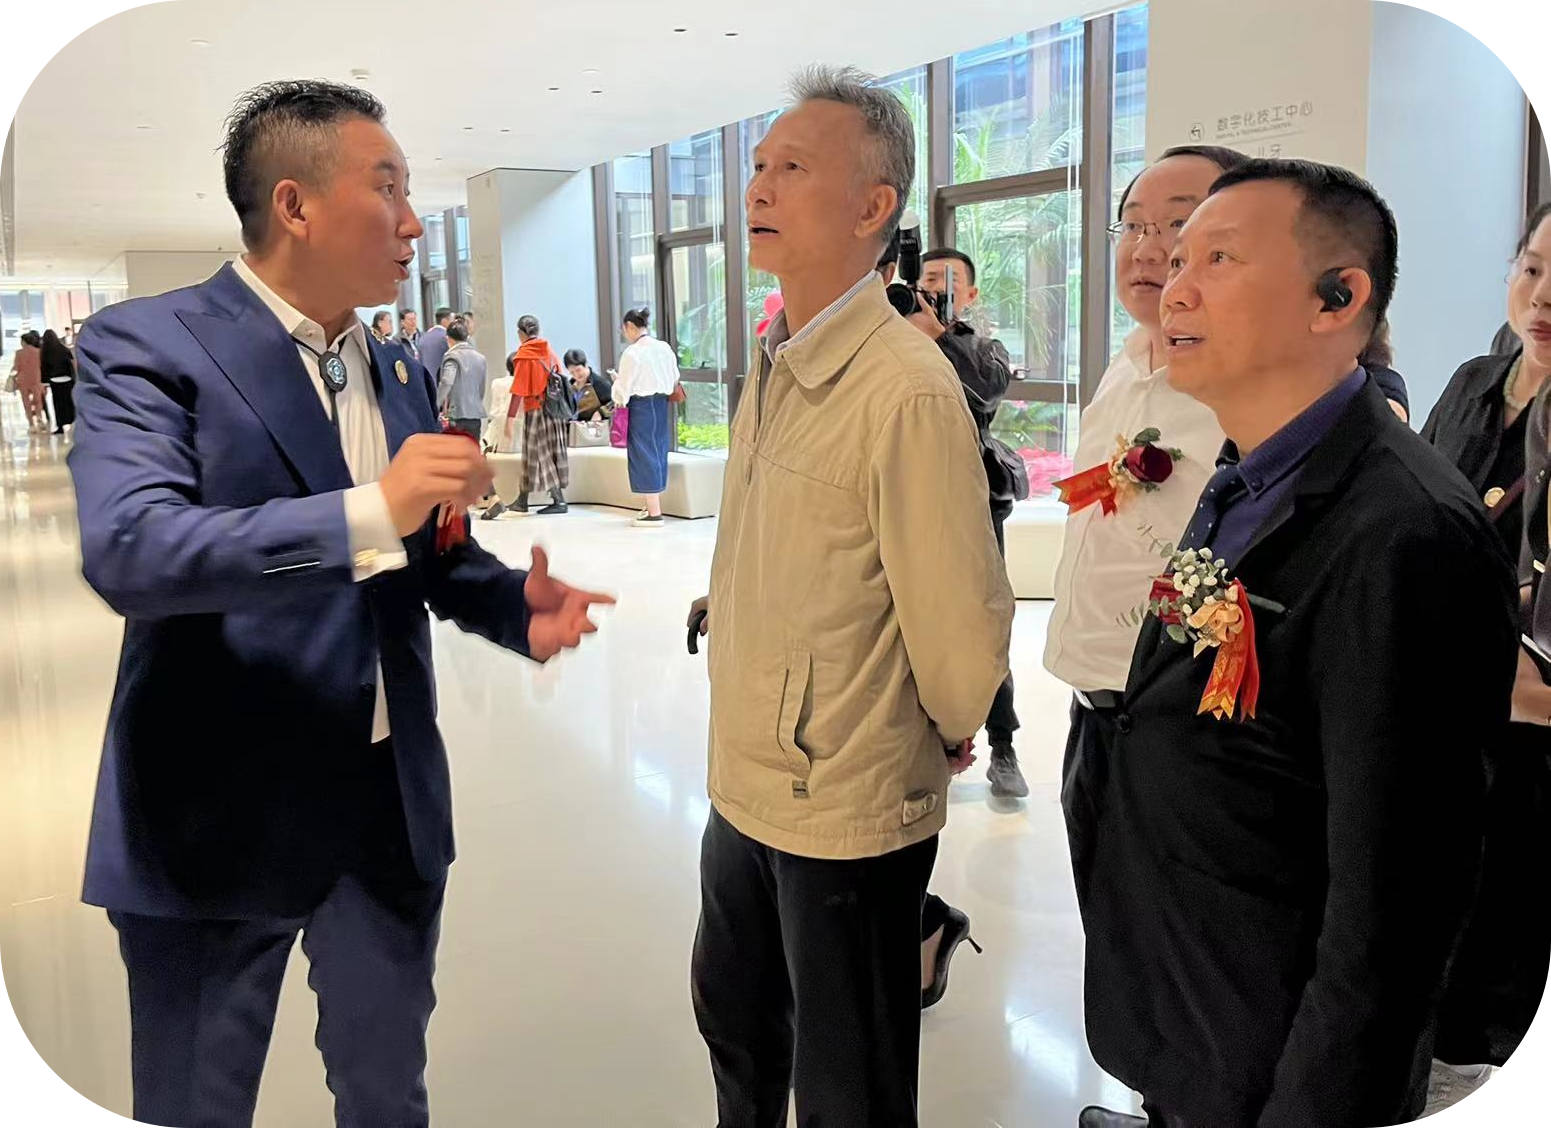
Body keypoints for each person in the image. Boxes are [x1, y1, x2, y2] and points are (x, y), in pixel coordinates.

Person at [65, 80, 613, 1129]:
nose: (413, 222)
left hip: (383, 808)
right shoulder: (149, 343)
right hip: (214, 807)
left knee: (386, 1092)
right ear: (296, 205)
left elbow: (422, 556)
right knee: (194, 1101)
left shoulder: (394, 365)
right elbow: (133, 550)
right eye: (388, 188)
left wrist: (512, 604)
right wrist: (373, 506)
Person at [1070, 158, 1519, 1129]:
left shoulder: (1405, 535)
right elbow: (1195, 682)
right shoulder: (1241, 474)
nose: (1174, 285)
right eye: (1174, 257)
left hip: (1275, 1053)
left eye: (1217, 258)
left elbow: (1394, 908)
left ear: (1336, 297)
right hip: (1195, 1000)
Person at [687, 66, 1013, 1127]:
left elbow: (959, 618)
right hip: (747, 776)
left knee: (848, 1086)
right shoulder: (776, 359)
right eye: (758, 166)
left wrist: (950, 726)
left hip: (846, 803)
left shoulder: (905, 390)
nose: (759, 186)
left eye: (792, 167)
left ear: (874, 206)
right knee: (738, 1030)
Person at [1042, 145, 1246, 1025]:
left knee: (1200, 972)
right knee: (1122, 948)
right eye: (1133, 224)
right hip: (1094, 707)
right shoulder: (1124, 366)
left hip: (1190, 729)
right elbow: (1103, 505)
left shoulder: (1249, 391)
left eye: (1180, 224)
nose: (1148, 247)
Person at [1419, 202, 1551, 1115]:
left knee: (1511, 904)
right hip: (1447, 691)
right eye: (1532, 268)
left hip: (1530, 714)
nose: (1542, 298)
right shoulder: (1476, 380)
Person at [909, 246, 1028, 800]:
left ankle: (1002, 744)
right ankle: (924, 741)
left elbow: (988, 388)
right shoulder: (894, 338)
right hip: (907, 495)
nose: (936, 288)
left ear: (972, 294)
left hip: (973, 501)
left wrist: (940, 336)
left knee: (983, 622)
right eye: (929, 278)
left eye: (949, 280)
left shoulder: (982, 346)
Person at [495, 313, 569, 517]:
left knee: (541, 453)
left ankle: (559, 500)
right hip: (553, 410)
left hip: (536, 410)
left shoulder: (524, 355)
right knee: (537, 454)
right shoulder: (549, 352)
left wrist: (510, 420)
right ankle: (522, 500)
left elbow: (518, 390)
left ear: (521, 333)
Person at [611, 307, 677, 527]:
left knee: (643, 453)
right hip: (661, 404)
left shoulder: (632, 353)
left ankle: (654, 513)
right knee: (657, 450)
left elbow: (623, 389)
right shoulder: (664, 348)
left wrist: (616, 385)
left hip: (640, 406)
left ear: (630, 326)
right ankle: (651, 507)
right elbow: (674, 377)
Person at [437, 318, 488, 442]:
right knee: (473, 448)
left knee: (457, 450)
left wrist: (437, 404)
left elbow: (447, 381)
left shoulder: (452, 356)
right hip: (475, 413)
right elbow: (481, 387)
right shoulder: (480, 358)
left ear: (449, 339)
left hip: (456, 414)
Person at [40, 328, 76, 434]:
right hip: (67, 379)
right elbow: (71, 362)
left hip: (55, 381)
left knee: (58, 403)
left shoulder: (45, 351)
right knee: (69, 402)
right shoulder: (63, 349)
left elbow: (44, 367)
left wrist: (44, 381)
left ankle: (60, 426)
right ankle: (72, 420)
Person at [11, 329, 49, 431]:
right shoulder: (38, 352)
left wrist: (13, 378)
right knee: (38, 400)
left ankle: (31, 424)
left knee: (26, 402)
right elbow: (42, 366)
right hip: (36, 379)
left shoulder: (19, 353)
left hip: (23, 380)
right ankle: (39, 418)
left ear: (24, 341)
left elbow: (16, 368)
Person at [564, 347, 613, 421]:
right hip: (575, 426)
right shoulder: (569, 386)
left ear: (586, 364)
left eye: (578, 370)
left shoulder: (600, 383)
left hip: (595, 425)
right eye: (572, 372)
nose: (576, 375)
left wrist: (601, 412)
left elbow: (613, 403)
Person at [417, 307, 454, 380]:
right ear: (444, 320)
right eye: (452, 320)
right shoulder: (449, 338)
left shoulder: (423, 338)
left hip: (427, 382)